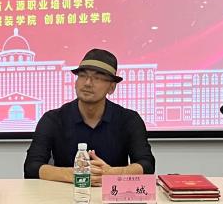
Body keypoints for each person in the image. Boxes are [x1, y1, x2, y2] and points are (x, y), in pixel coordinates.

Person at [24, 48, 155, 185]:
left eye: (97, 78)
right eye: (82, 76)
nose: (87, 83)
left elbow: (147, 165)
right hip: (65, 192)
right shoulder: (53, 119)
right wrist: (73, 174)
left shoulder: (129, 119)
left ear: (112, 87)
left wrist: (112, 173)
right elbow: (31, 167)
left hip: (112, 192)